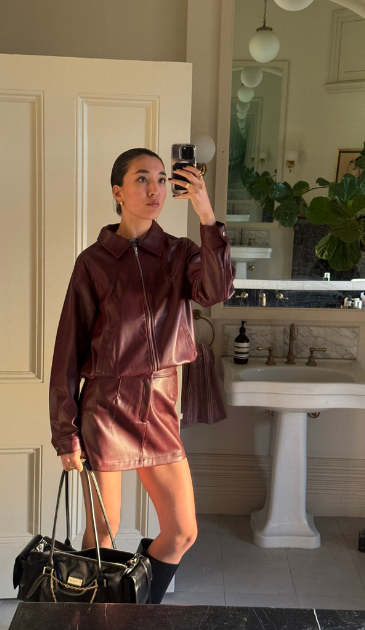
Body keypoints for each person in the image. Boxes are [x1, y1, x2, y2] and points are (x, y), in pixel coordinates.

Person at [49, 147, 235, 603]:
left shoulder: (181, 253)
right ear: (118, 191)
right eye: (140, 179)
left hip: (160, 405)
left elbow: (217, 290)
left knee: (182, 531)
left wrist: (206, 214)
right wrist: (64, 433)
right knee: (101, 539)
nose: (153, 189)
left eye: (159, 179)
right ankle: (101, 618)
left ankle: (135, 610)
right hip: (106, 409)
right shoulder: (92, 262)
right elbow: (67, 352)